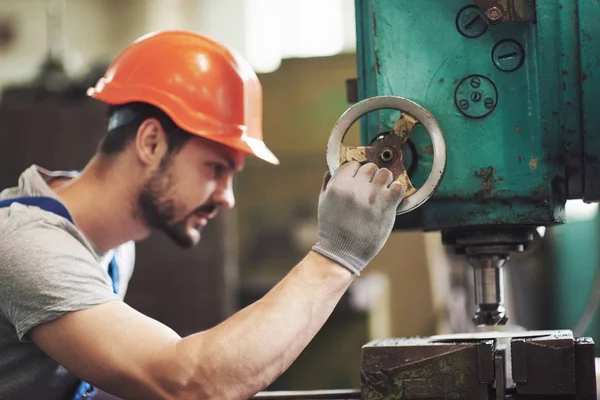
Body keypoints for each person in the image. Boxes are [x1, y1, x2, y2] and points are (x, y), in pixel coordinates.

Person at [0, 30, 405, 400]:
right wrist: (337, 256)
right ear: (152, 142)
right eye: (215, 168)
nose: (227, 198)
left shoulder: (114, 246)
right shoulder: (28, 244)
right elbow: (188, 382)